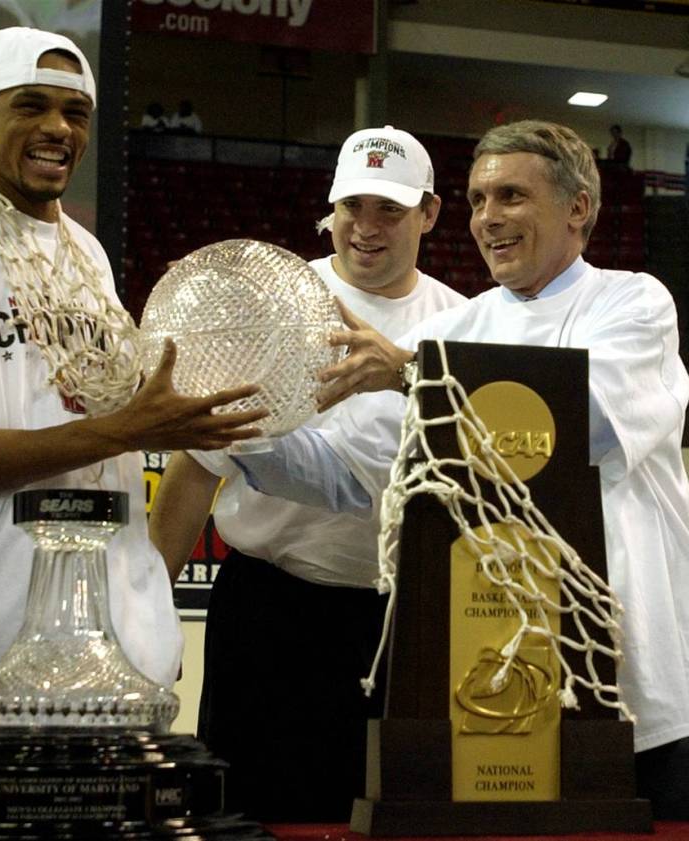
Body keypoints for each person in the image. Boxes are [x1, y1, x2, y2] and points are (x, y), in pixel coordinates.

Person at [229, 120, 689, 824]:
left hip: (648, 699)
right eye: (476, 199)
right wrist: (226, 421)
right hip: (496, 706)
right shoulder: (453, 336)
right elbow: (347, 477)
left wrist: (409, 373)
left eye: (511, 196)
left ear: (578, 207)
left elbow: (564, 428)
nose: (488, 219)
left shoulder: (633, 304)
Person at [0, 25, 264, 758]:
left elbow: (100, 423)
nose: (58, 129)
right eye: (30, 106)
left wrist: (145, 617)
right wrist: (130, 428)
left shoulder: (85, 253)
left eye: (76, 112)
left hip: (92, 675)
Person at [148, 125, 467, 822]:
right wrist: (142, 610)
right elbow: (195, 469)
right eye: (353, 205)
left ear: (430, 213)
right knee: (247, 817)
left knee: (384, 817)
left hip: (398, 627)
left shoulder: (462, 326)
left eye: (389, 208)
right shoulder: (267, 301)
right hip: (267, 609)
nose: (367, 226)